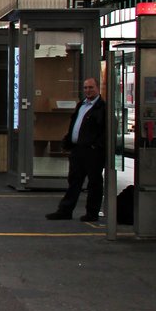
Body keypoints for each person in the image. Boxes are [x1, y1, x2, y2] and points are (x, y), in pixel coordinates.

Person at [47, 77, 107, 221]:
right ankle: (65, 210)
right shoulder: (81, 105)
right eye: (85, 87)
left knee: (94, 183)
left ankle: (92, 213)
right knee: (74, 181)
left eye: (91, 87)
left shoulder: (102, 108)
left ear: (98, 88)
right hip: (78, 150)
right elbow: (75, 125)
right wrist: (68, 142)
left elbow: (105, 131)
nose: (88, 90)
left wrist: (96, 146)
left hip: (93, 152)